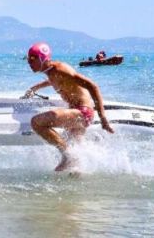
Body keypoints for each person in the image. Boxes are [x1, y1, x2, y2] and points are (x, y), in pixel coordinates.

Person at [23, 42, 114, 171]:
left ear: (43, 58)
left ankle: (67, 155)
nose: (29, 63)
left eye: (32, 59)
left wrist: (103, 117)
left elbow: (92, 86)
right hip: (76, 116)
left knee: (37, 123)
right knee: (72, 169)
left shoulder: (61, 69)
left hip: (82, 113)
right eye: (28, 59)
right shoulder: (51, 71)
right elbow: (54, 80)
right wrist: (35, 88)